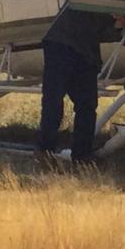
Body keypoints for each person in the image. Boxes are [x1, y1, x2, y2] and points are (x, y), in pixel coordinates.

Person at [36, 8, 110, 163]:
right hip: (66, 46)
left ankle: (76, 154)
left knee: (72, 103)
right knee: (65, 102)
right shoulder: (102, 1)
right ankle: (51, 152)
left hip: (66, 44)